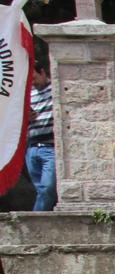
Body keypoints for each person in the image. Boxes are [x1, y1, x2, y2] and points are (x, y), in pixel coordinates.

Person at [26, 62, 56, 211]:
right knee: (41, 190)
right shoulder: (27, 94)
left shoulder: (56, 89)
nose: (32, 82)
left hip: (50, 147)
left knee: (47, 188)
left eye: (34, 78)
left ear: (43, 72)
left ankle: (35, 220)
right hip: (32, 148)